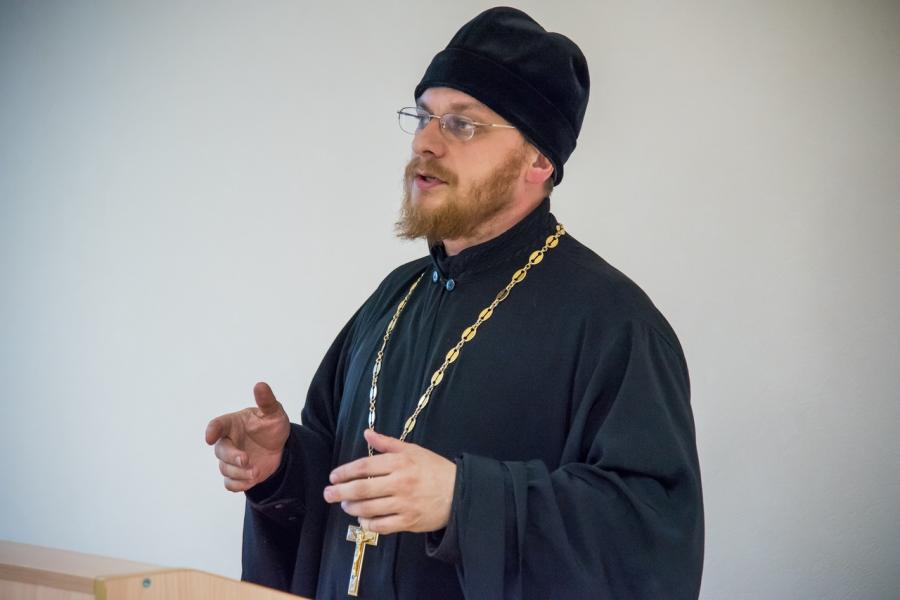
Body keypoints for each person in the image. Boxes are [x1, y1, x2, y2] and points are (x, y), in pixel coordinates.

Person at [205, 7, 704, 599]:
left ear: (539, 160)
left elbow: (651, 535)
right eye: (423, 116)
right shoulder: (393, 299)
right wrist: (282, 470)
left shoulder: (615, 323)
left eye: (461, 124)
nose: (425, 142)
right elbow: (339, 486)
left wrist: (465, 502)